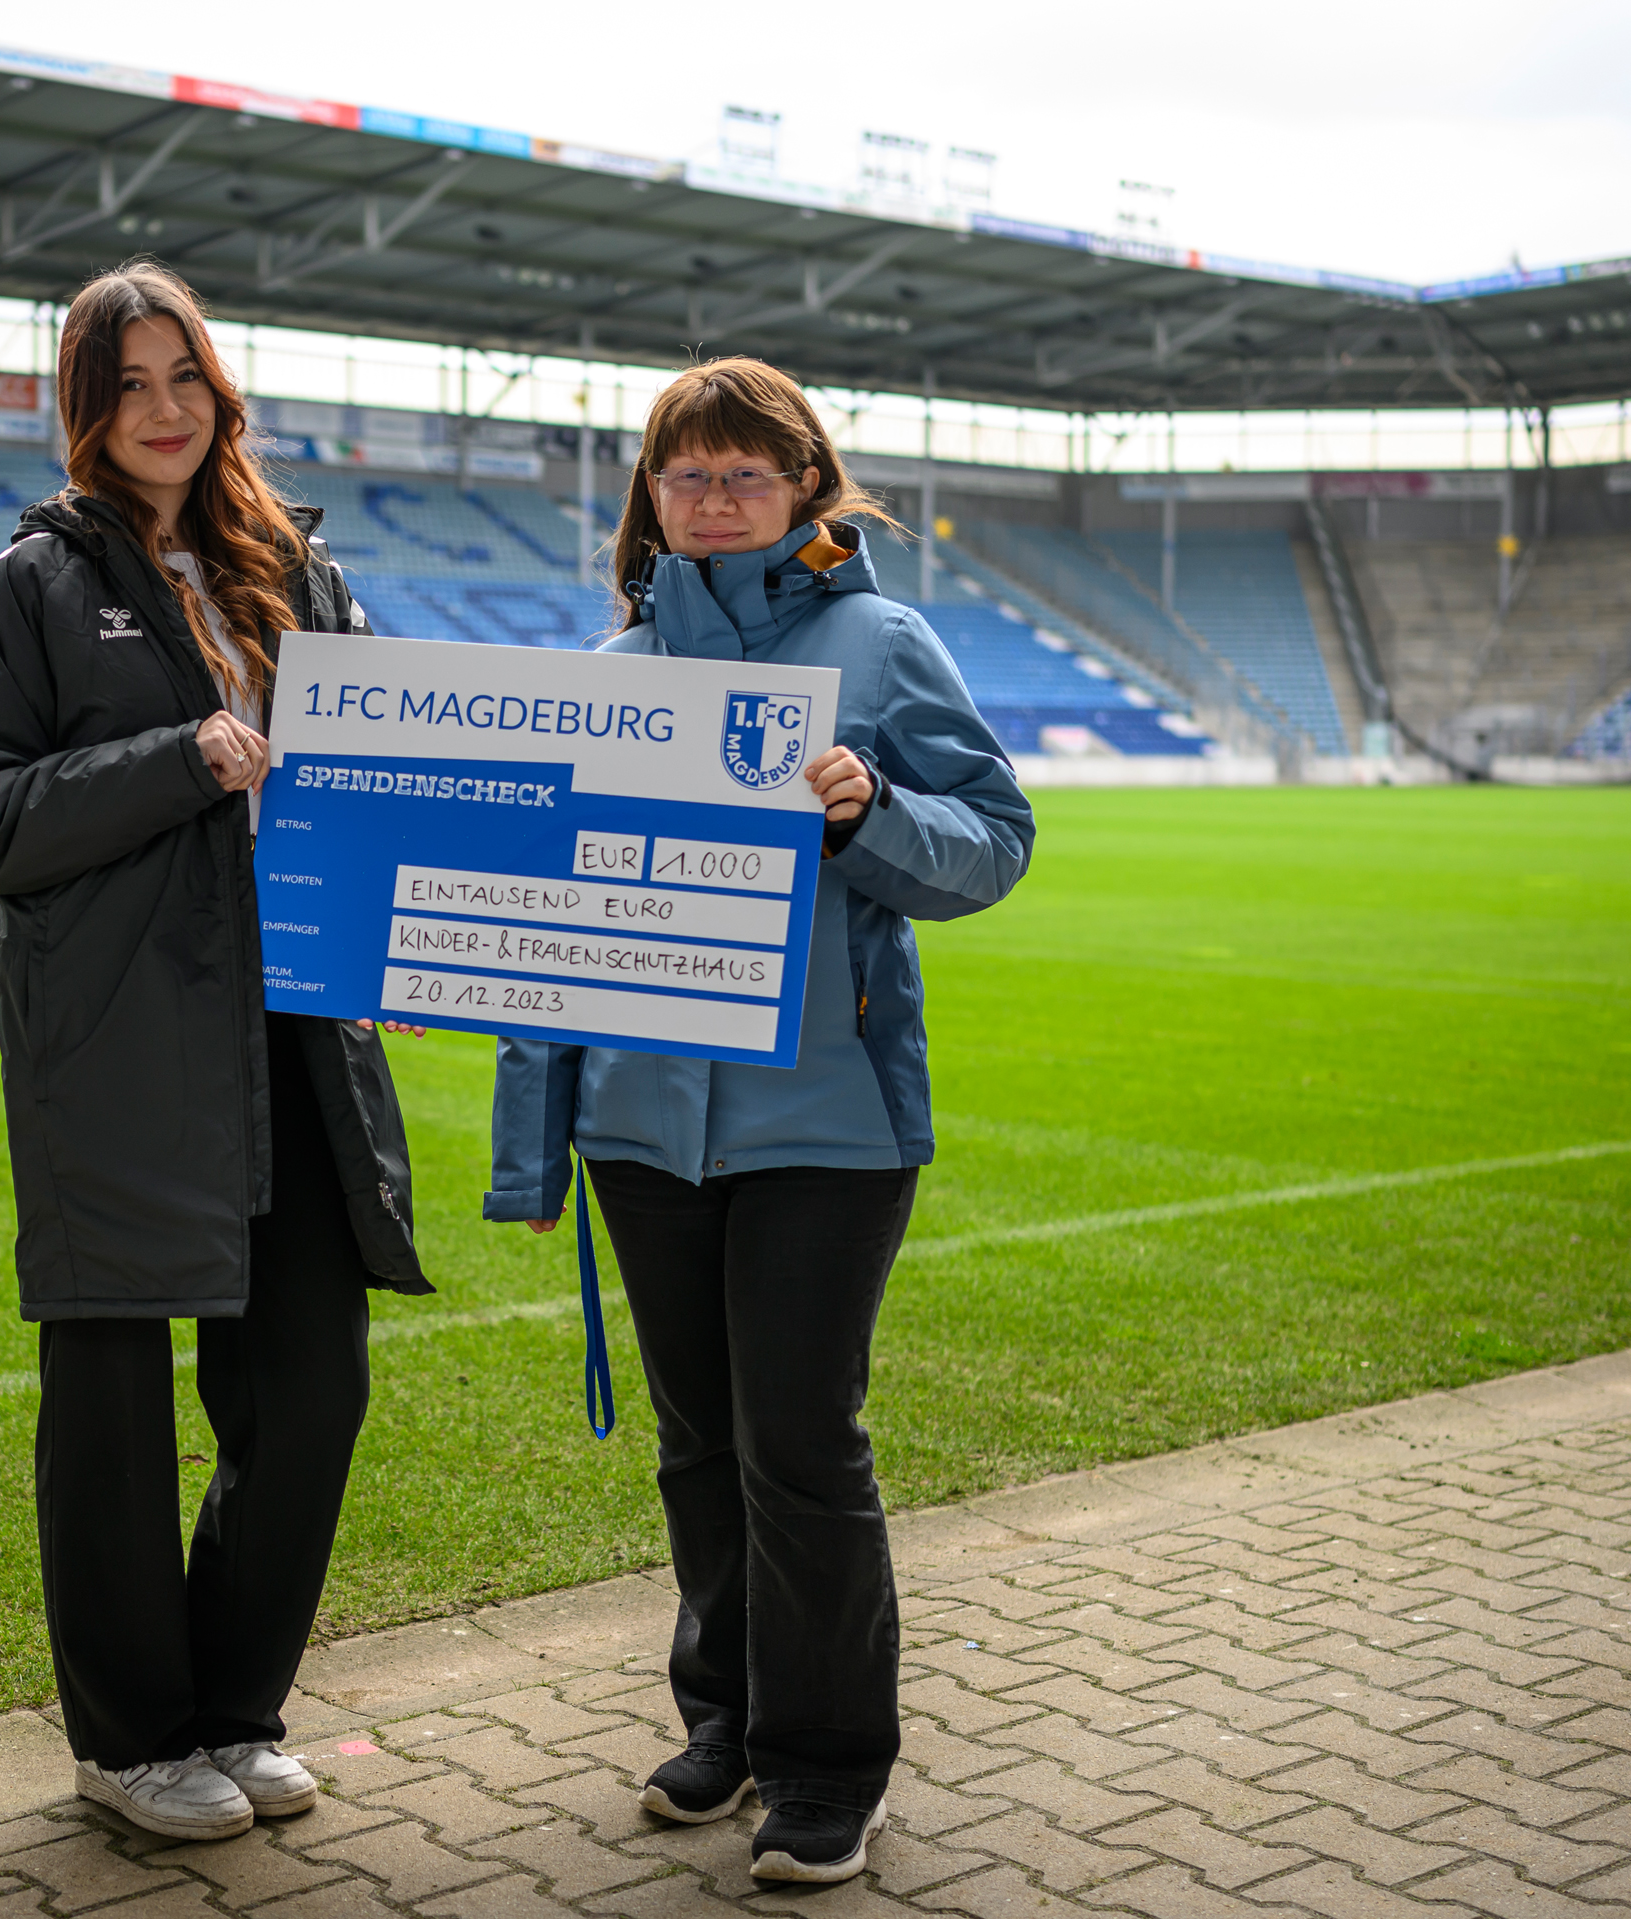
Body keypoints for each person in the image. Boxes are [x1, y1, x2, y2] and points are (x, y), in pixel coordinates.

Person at [485, 357, 1034, 1884]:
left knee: (796, 1446)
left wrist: (873, 817)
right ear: (651, 495)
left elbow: (995, 840)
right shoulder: (607, 671)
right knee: (697, 1448)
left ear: (805, 486)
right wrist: (535, 1145)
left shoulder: (883, 642)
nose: (715, 499)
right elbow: (544, 924)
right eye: (688, 473)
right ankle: (723, 1719)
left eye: (745, 472)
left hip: (828, 1124)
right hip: (642, 1134)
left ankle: (829, 1766)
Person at [0, 260, 432, 1844]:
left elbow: (386, 773)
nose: (164, 410)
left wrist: (407, 936)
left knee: (310, 1391)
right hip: (121, 1042)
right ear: (88, 410)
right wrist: (179, 757)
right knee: (113, 1415)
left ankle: (232, 1707)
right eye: (130, 384)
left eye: (185, 377)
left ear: (220, 390)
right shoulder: (35, 584)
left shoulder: (294, 568)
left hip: (296, 1029)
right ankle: (133, 1741)